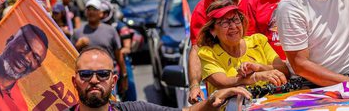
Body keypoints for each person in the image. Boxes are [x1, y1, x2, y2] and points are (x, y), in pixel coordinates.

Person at [69, 46, 251, 111]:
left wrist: (213, 99)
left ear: (113, 80)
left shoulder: (136, 109)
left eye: (102, 74)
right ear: (74, 81)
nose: (94, 80)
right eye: (85, 74)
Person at [188, 0, 258, 104]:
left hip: (266, 91)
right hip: (225, 101)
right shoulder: (202, 9)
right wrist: (194, 85)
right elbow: (196, 49)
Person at [198, 0, 289, 95]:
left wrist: (258, 67)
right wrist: (256, 77)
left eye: (236, 19)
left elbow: (284, 70)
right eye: (224, 22)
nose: (233, 26)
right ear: (212, 30)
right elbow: (221, 82)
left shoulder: (258, 41)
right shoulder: (208, 53)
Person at [73, 0, 128, 94]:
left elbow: (119, 55)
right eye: (88, 9)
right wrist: (77, 46)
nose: (91, 12)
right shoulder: (78, 33)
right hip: (86, 81)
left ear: (101, 13)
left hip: (107, 79)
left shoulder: (111, 31)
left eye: (94, 9)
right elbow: (71, 57)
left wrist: (124, 76)